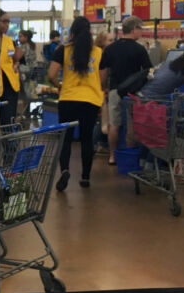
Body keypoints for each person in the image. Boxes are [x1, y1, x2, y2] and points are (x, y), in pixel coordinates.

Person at [48, 17, 104, 190]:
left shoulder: (62, 50)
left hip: (68, 99)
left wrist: (59, 86)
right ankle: (85, 177)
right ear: (89, 31)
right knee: (87, 139)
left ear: (72, 32)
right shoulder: (98, 52)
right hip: (91, 100)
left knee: (66, 138)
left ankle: (65, 170)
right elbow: (102, 79)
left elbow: (51, 75)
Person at [99, 15, 152, 165]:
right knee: (131, 125)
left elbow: (103, 70)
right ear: (134, 29)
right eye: (140, 29)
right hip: (133, 93)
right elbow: (148, 71)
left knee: (114, 124)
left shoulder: (111, 48)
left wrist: (104, 87)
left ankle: (112, 156)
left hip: (115, 90)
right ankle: (129, 155)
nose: (141, 32)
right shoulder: (139, 49)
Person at [0, 10, 23, 126]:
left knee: (8, 121)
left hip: (10, 87)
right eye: (4, 21)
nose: (7, 25)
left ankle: (10, 144)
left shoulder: (9, 41)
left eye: (8, 22)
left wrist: (16, 63)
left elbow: (14, 59)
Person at [17, 29, 40, 105]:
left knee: (27, 93)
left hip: (26, 71)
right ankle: (27, 111)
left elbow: (18, 57)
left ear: (26, 37)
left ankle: (26, 111)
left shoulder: (24, 46)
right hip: (32, 70)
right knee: (30, 92)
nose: (18, 38)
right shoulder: (31, 45)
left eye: (20, 36)